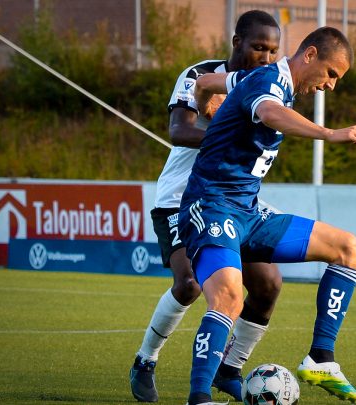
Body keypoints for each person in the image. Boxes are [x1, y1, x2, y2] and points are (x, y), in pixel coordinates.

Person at [180, 26, 356, 405]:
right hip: (210, 205)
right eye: (331, 74)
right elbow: (271, 113)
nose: (331, 86)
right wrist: (330, 133)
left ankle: (321, 358)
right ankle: (199, 397)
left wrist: (205, 103)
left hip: (248, 213)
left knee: (349, 249)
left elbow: (206, 80)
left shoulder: (257, 78)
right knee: (228, 297)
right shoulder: (270, 83)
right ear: (309, 56)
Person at [129, 10, 282, 403]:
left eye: (273, 50)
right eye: (258, 47)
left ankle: (230, 368)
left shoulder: (270, 88)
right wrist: (225, 134)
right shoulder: (201, 75)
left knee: (267, 285)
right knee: (189, 284)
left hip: (232, 201)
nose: (265, 57)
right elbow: (180, 129)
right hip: (180, 199)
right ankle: (146, 359)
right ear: (237, 44)